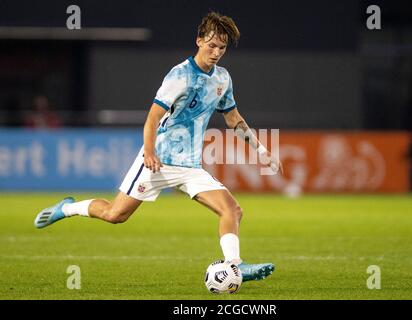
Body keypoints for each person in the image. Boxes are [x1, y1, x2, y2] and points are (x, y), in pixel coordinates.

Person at [34, 12, 283, 282]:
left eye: (222, 48)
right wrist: (150, 152)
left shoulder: (222, 79)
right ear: (199, 40)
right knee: (115, 215)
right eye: (211, 45)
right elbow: (152, 117)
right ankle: (68, 207)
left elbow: (234, 119)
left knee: (232, 209)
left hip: (189, 166)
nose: (216, 52)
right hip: (158, 161)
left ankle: (236, 265)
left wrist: (262, 151)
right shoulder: (180, 75)